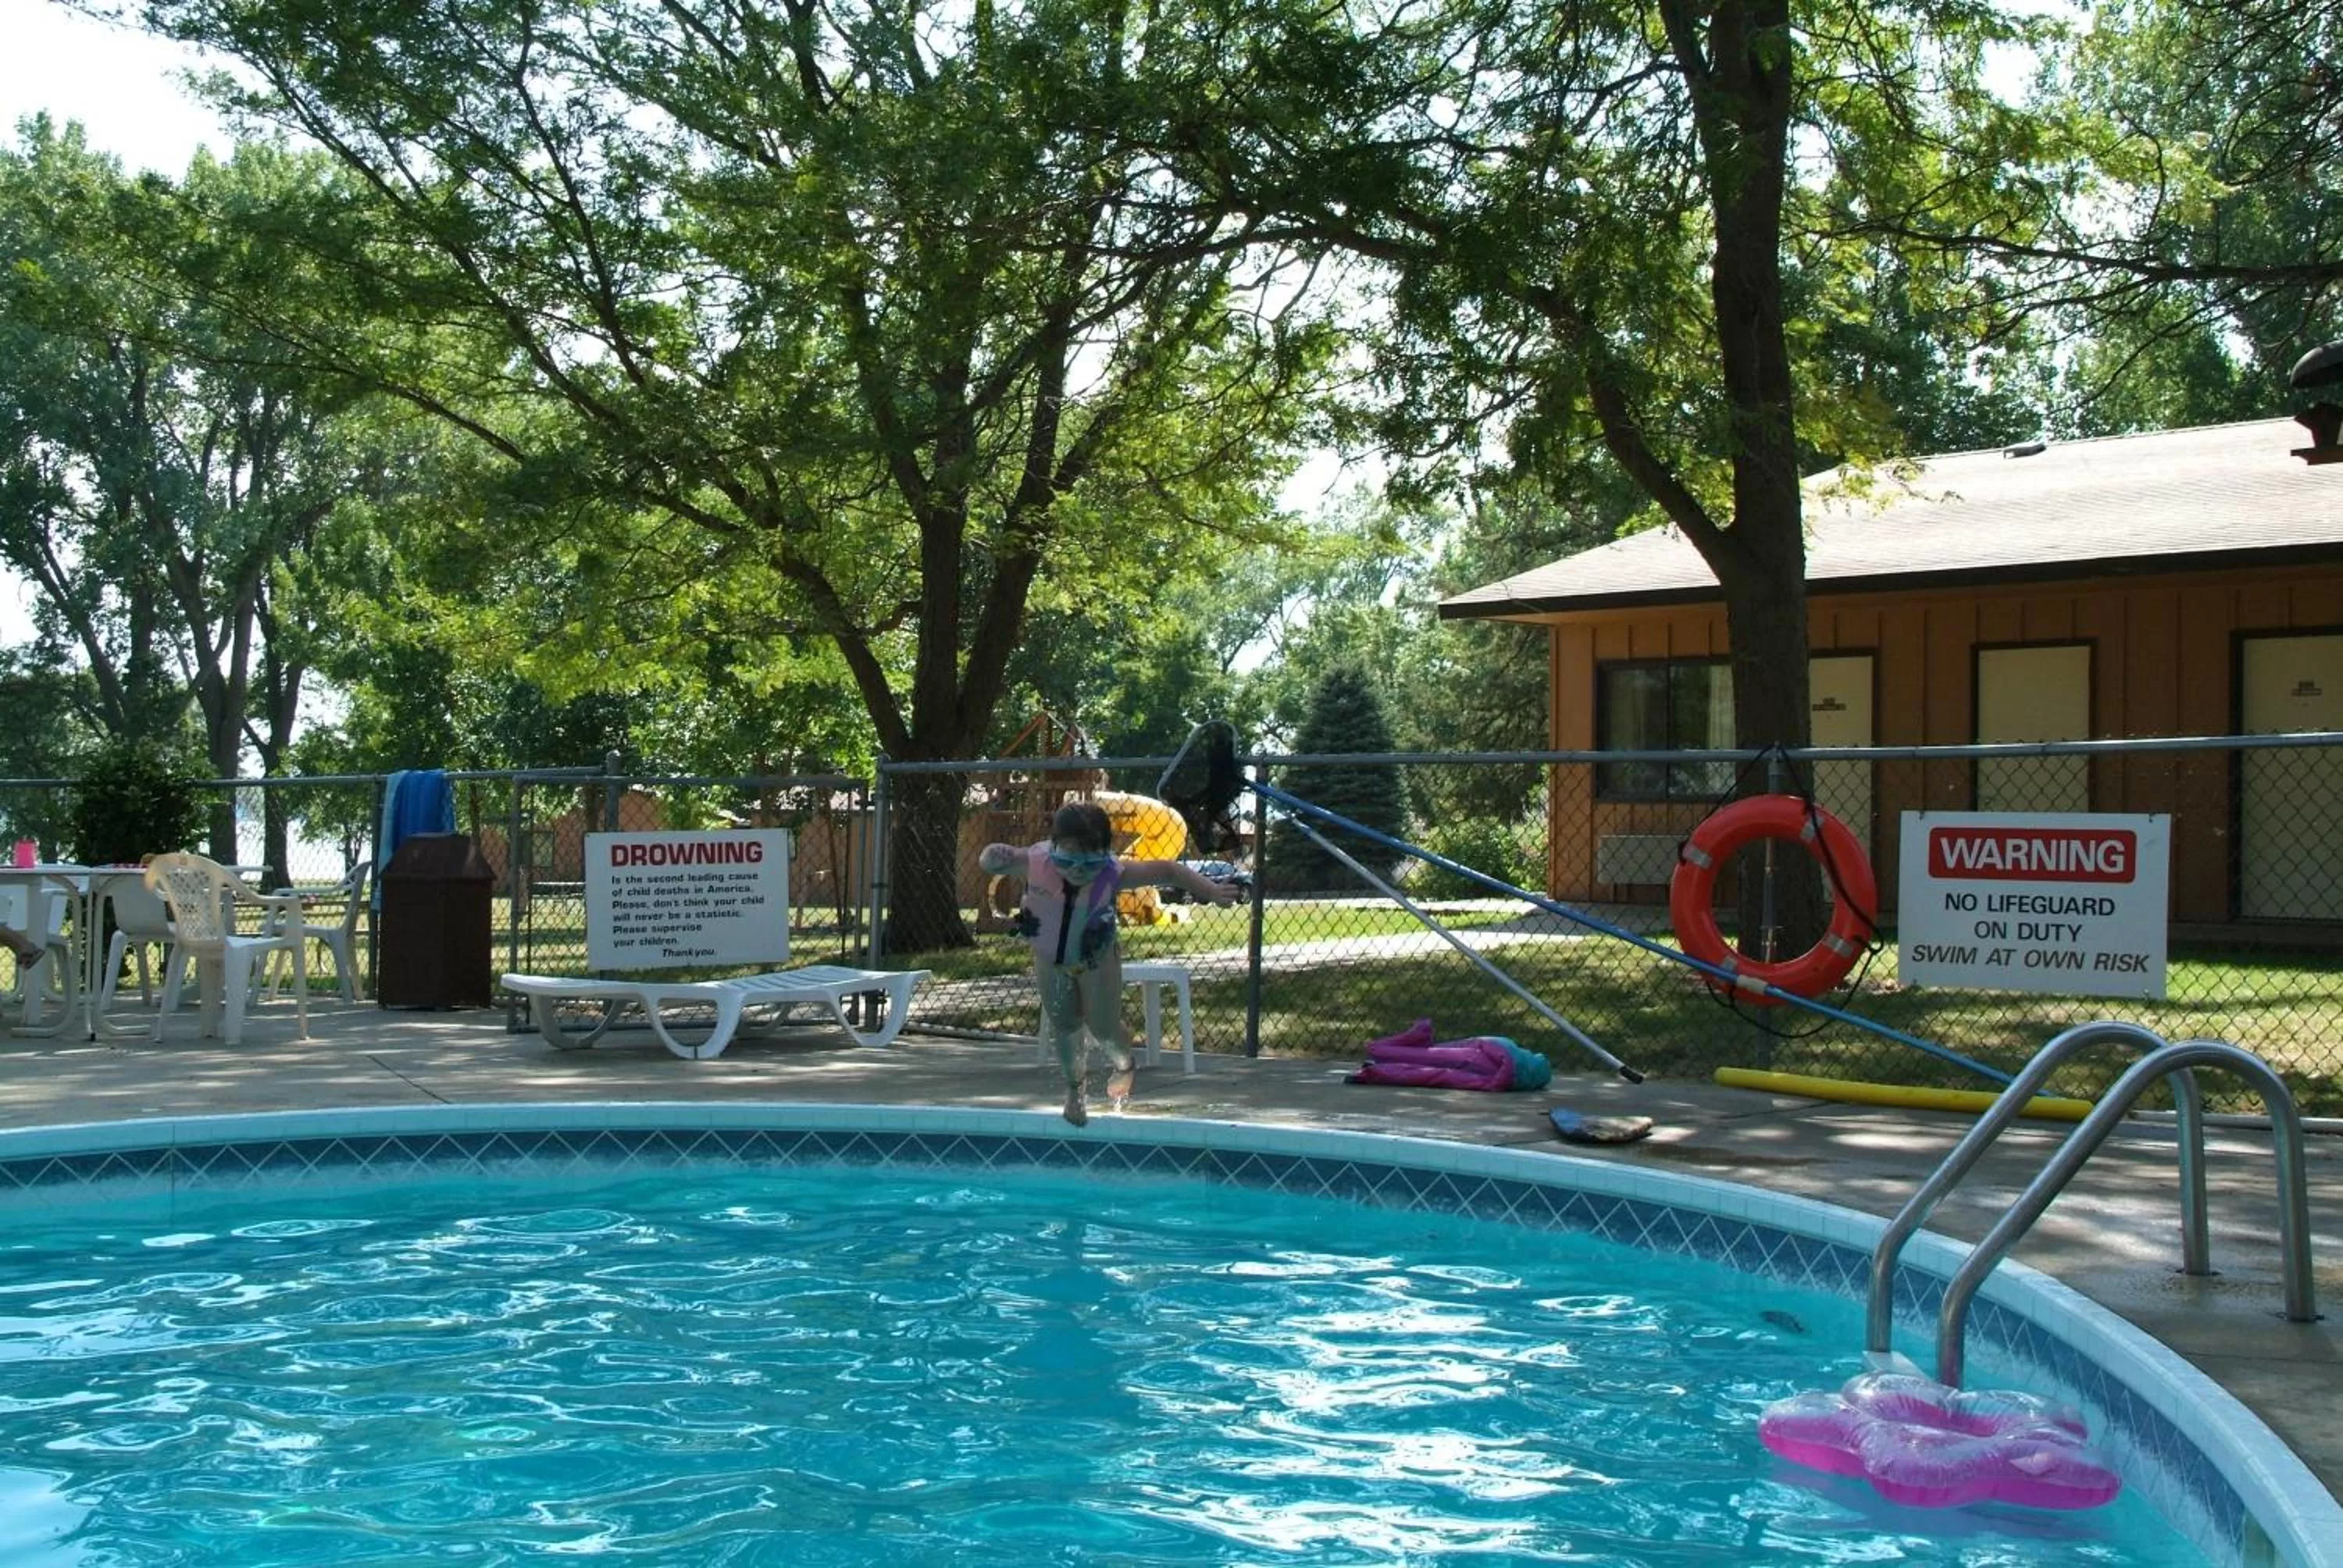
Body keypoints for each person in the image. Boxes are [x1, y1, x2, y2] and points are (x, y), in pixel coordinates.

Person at [979, 801, 1240, 1124]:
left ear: (1105, 853)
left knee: (1103, 1028)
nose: (1077, 871)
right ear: (1053, 849)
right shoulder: (1034, 863)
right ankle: (1075, 1091)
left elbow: (1170, 870)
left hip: (1096, 961)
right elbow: (991, 859)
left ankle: (1125, 1064)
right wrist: (993, 856)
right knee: (1065, 1026)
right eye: (1067, 861)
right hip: (1050, 961)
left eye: (1089, 863)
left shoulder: (1115, 873)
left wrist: (1212, 891)